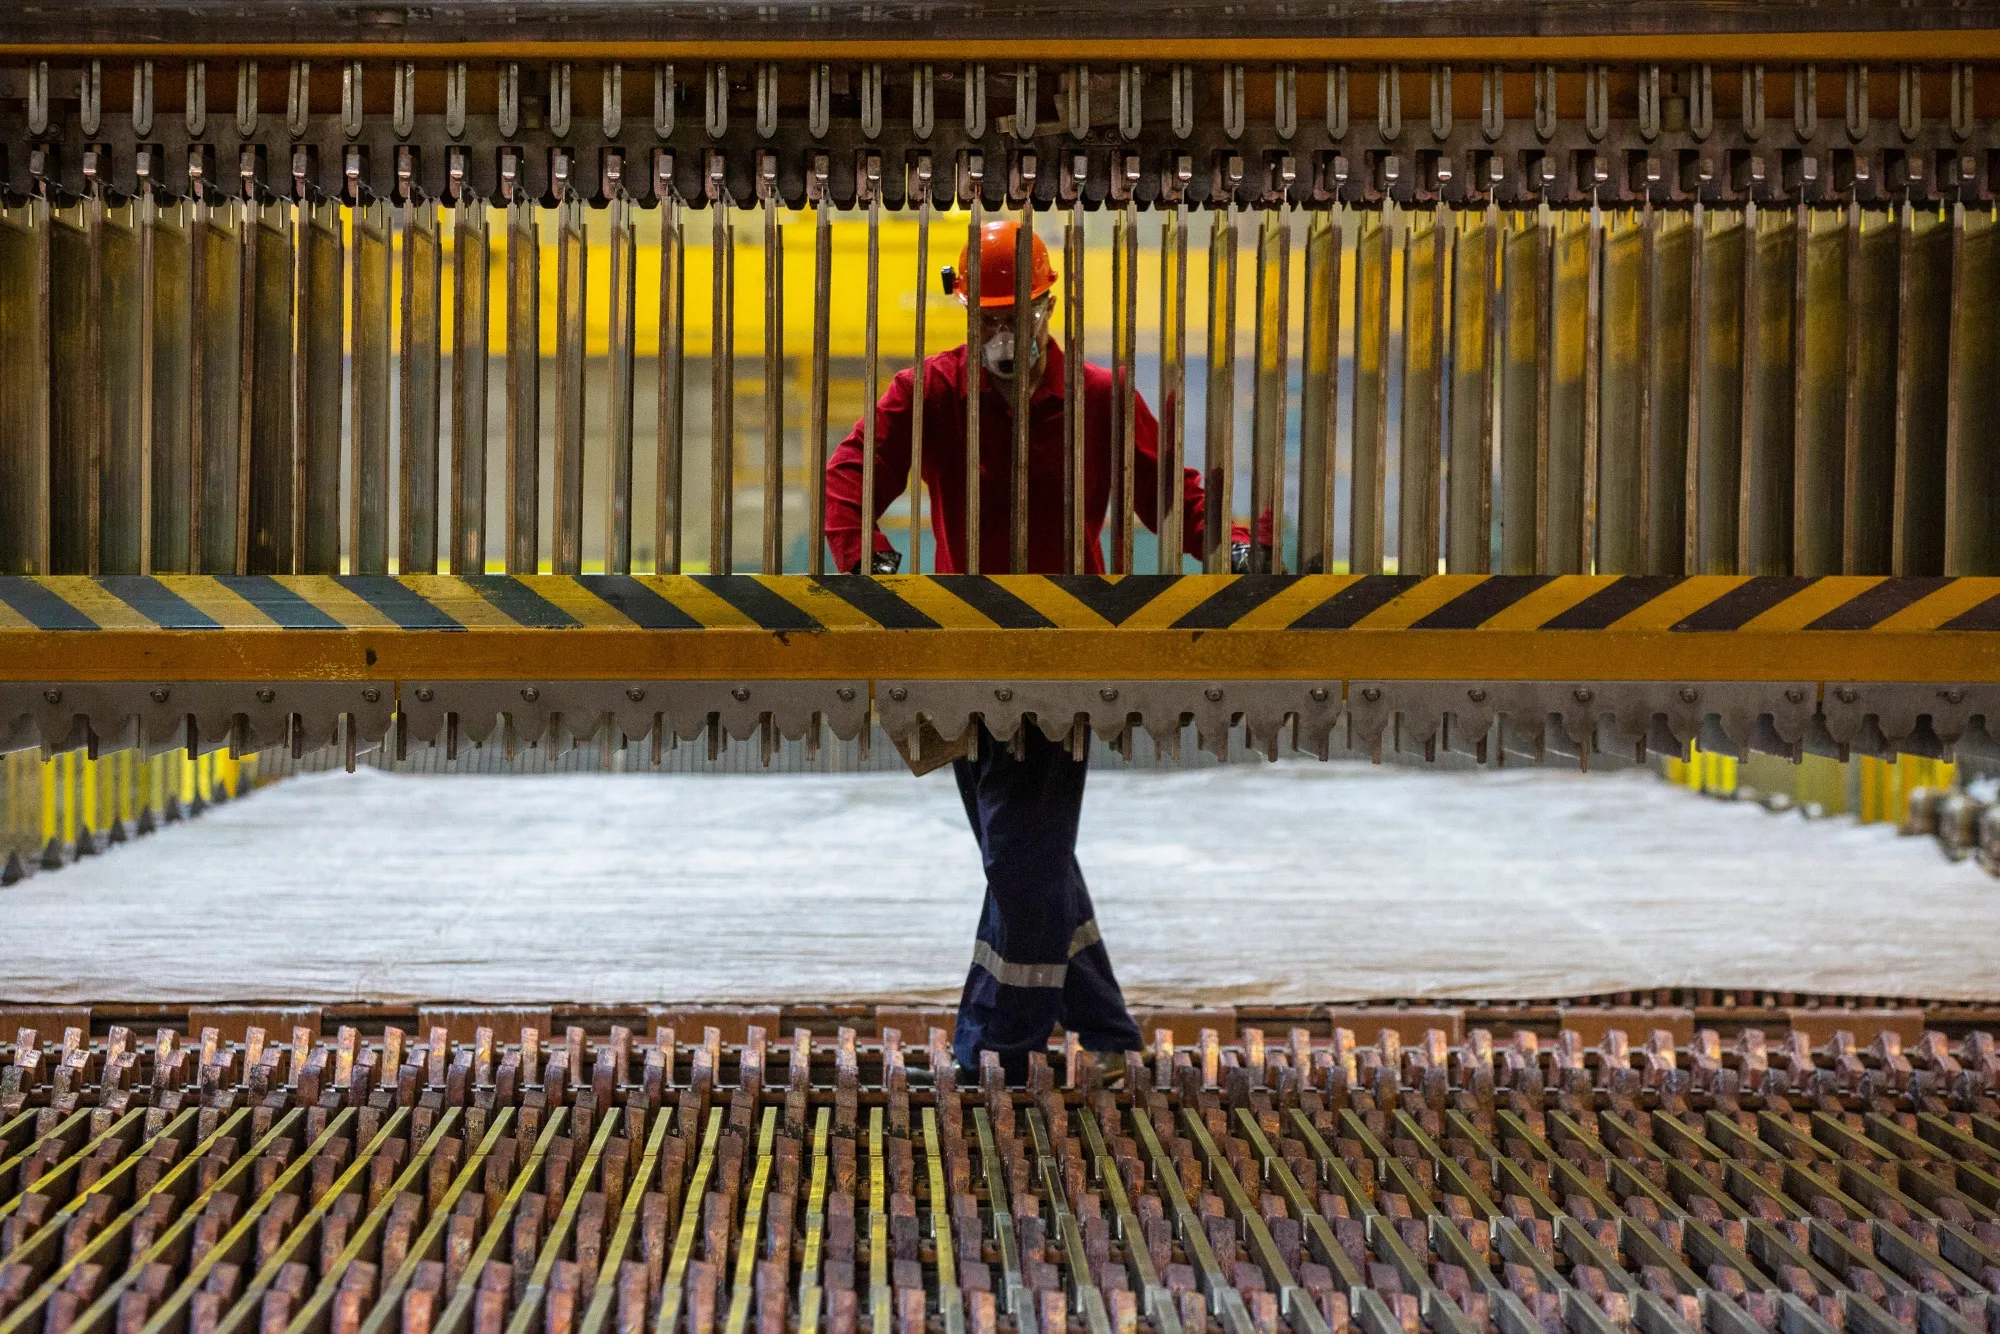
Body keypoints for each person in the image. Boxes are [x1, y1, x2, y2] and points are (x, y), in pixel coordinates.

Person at [823, 219, 1242, 1085]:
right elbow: (851, 474)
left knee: (1021, 854)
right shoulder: (931, 393)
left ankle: (1000, 1048)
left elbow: (1169, 497)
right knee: (1030, 857)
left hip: (1066, 659)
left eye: (1017, 315)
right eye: (986, 319)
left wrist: (1233, 547)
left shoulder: (1098, 396)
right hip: (961, 659)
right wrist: (862, 560)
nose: (1002, 337)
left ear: (1051, 305)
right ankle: (1108, 1030)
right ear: (964, 312)